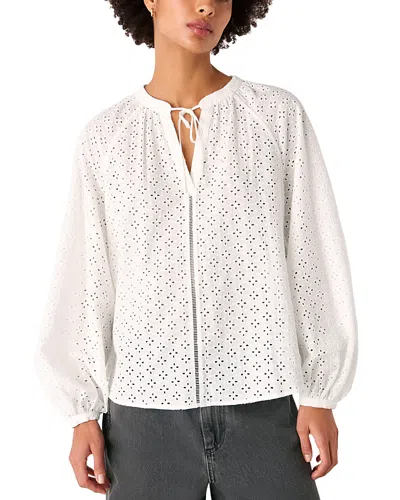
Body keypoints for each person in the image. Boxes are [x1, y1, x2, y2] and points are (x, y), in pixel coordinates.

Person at [34, 0, 358, 498]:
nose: (206, 5)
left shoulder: (276, 117)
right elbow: (85, 276)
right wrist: (82, 413)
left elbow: (313, 256)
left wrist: (320, 392)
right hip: (142, 415)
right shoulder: (105, 138)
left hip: (263, 401)